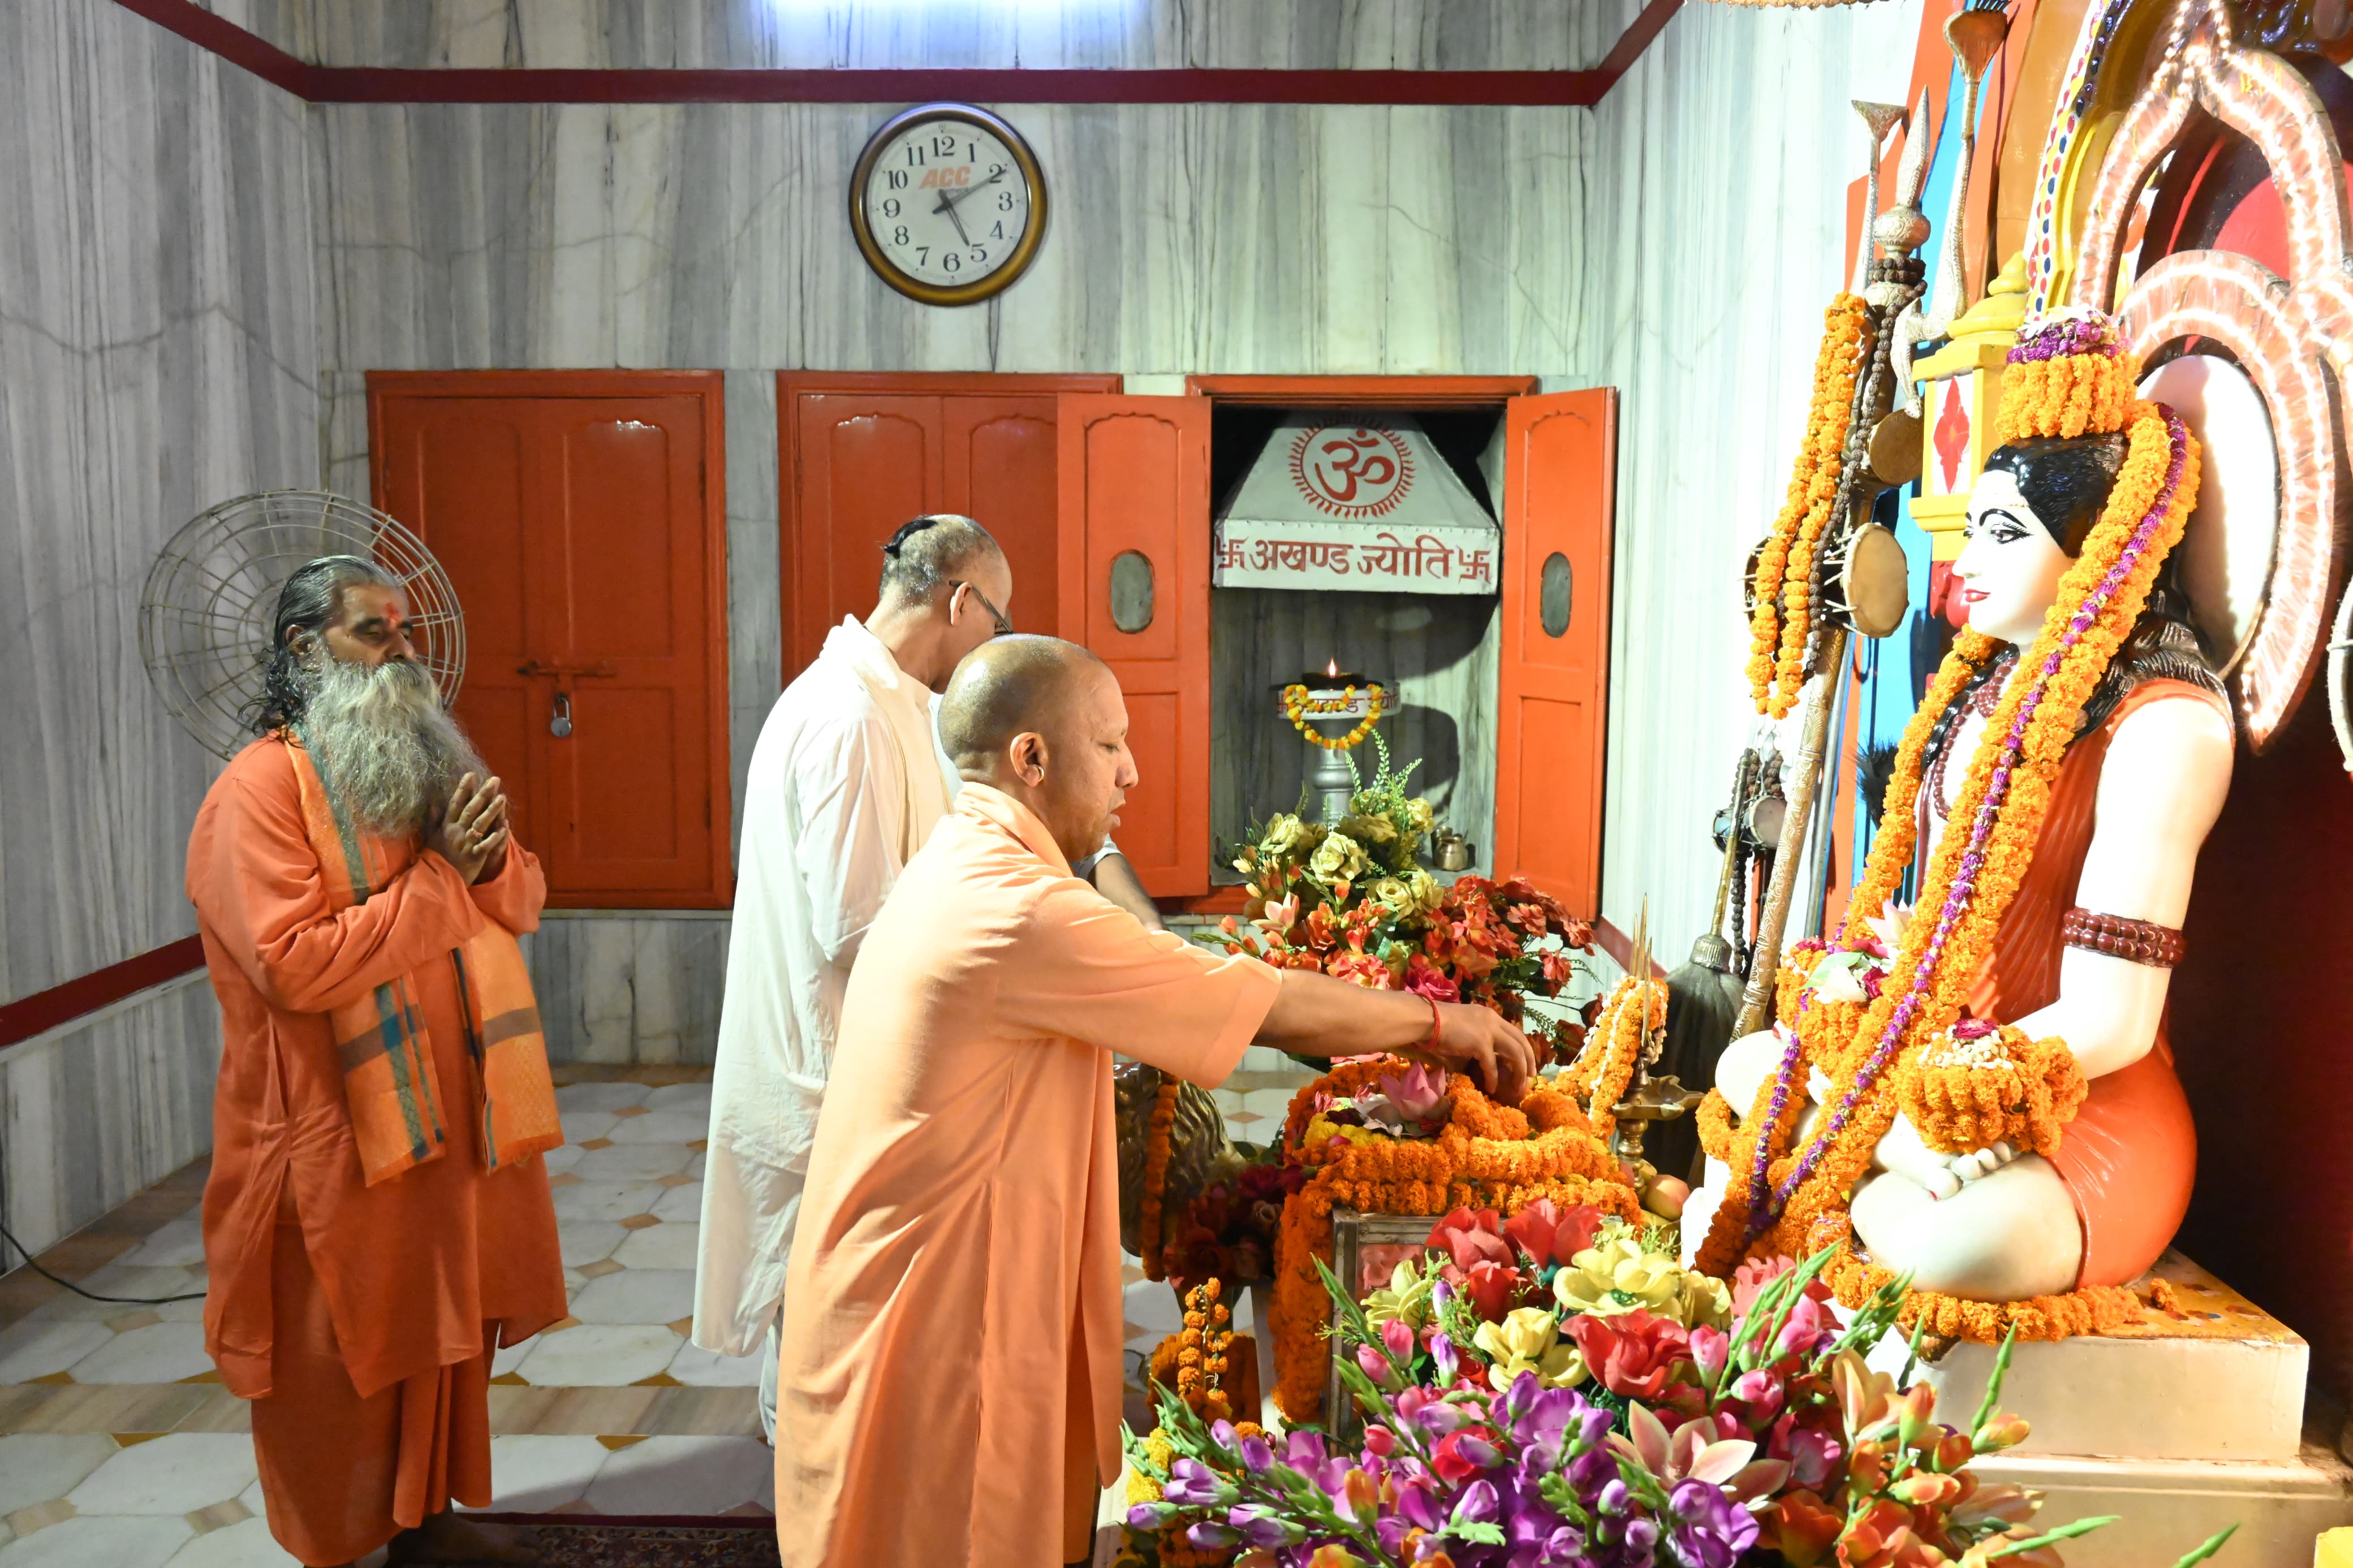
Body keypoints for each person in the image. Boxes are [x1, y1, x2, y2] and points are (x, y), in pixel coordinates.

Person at [772, 636, 1539, 1568]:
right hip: (936, 1319)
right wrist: (1439, 1020)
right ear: (1032, 758)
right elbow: (1254, 1001)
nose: (1132, 770)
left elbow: (1138, 928)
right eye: (1110, 745)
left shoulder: (970, 858)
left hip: (910, 1281)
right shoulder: (1016, 908)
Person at [694, 516, 1160, 1439]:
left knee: (862, 1328)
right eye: (997, 617)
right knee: (825, 1330)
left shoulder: (900, 701)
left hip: (869, 1054)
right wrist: (1021, 987)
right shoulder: (848, 716)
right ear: (959, 599)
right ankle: (816, 1505)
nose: (995, 640)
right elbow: (863, 929)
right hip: (830, 1060)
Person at [187, 556, 565, 1567]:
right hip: (328, 1139)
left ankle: (426, 1521)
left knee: (442, 1329)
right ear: (305, 649)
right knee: (337, 1357)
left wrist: (484, 866)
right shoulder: (260, 789)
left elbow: (518, 901)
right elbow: (294, 966)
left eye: (404, 630)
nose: (402, 649)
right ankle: (340, 1546)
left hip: (450, 1123)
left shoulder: (421, 757)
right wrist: (447, 878)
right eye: (372, 630)